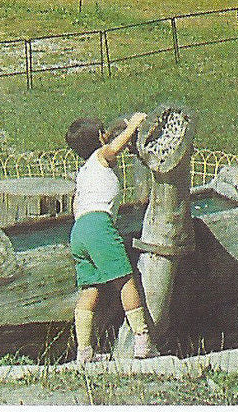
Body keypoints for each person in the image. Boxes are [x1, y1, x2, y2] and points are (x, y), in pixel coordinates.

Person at [66, 112, 155, 363]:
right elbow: (114, 148)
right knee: (125, 281)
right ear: (99, 138)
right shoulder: (100, 156)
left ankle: (84, 352)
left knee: (90, 289)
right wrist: (133, 125)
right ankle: (142, 340)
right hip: (99, 225)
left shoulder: (84, 171)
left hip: (79, 231)